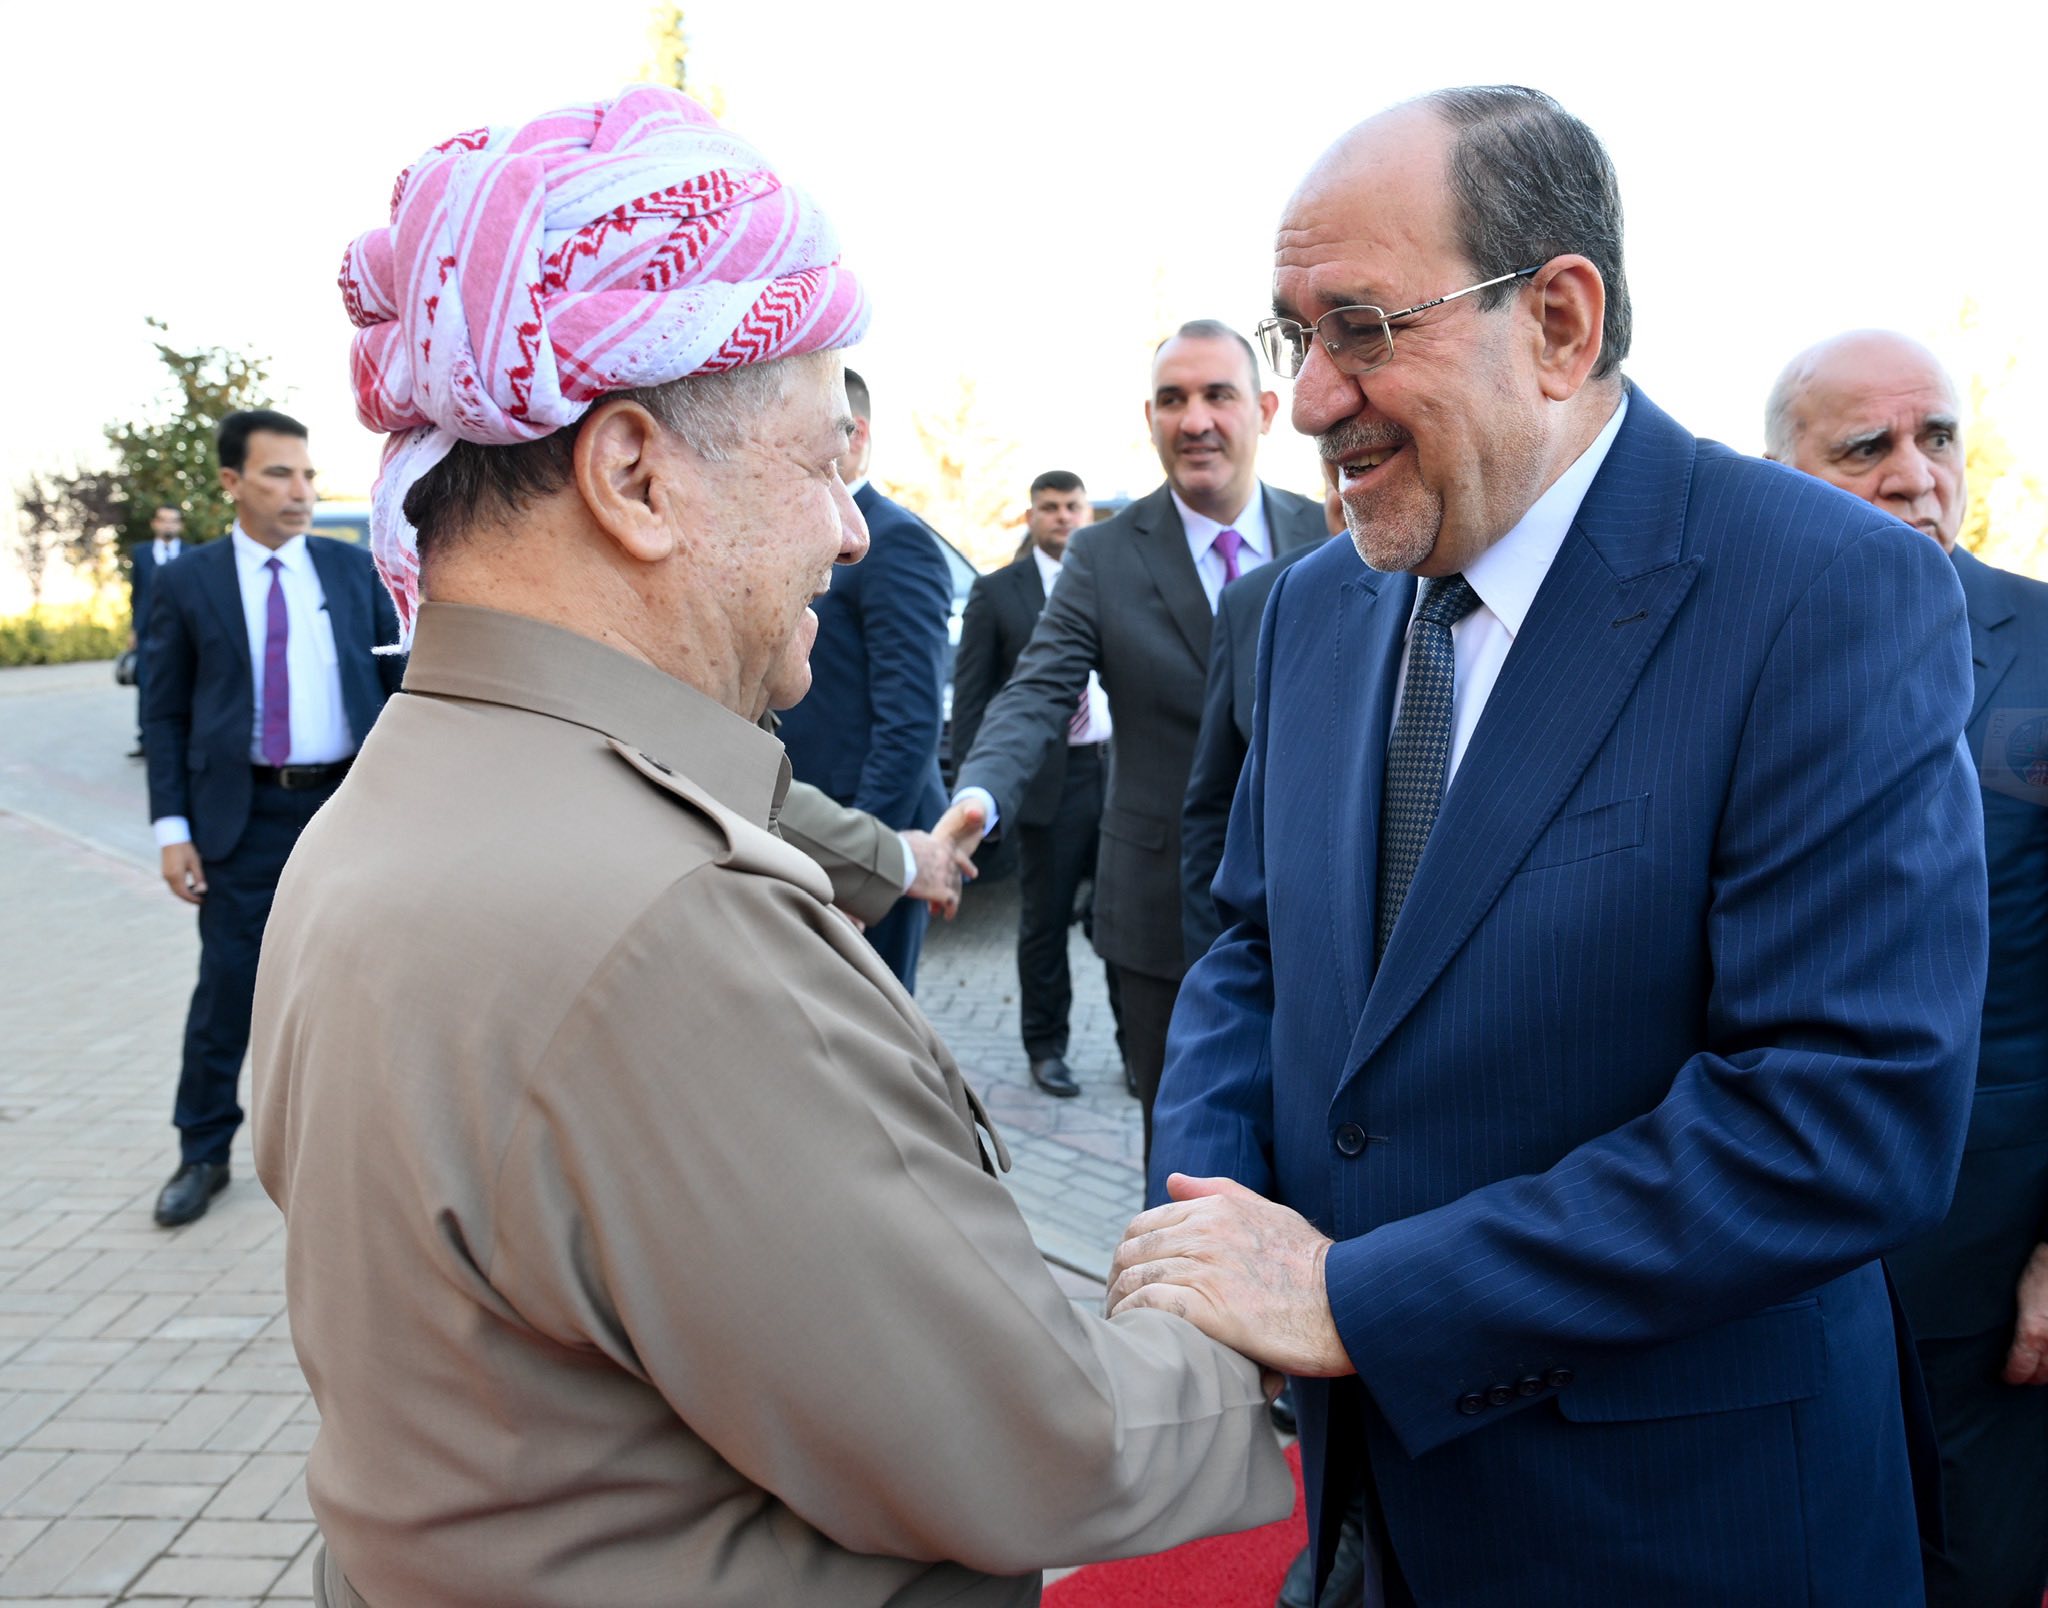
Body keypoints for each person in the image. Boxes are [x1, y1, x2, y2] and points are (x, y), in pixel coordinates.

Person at [254, 88, 1290, 1607]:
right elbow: (1038, 1439)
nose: (851, 530)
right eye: (819, 466)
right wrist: (1250, 1329)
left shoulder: (402, 795)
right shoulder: (668, 923)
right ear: (634, 477)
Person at [1111, 86, 1986, 1607]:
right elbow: (1252, 950)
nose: (1306, 401)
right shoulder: (1311, 609)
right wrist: (1207, 1243)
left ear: (1559, 323)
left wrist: (1360, 1301)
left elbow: (1844, 1114)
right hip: (1369, 1515)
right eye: (1294, 337)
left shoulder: (1823, 591)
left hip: (1681, 1533)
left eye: (1361, 329)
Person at [1767, 328, 2048, 1608]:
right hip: (1755, 1278)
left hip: (1983, 1288)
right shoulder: (1713, 657)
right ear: (1779, 476)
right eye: (1862, 446)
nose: (1911, 473)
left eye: (1935, 436)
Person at [946, 322, 1326, 1155]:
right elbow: (1038, 688)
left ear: (1265, 410)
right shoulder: (1102, 555)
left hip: (1314, 902)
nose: (1195, 420)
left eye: (1218, 395)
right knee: (1182, 1146)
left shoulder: (1328, 531)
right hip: (1159, 914)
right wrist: (978, 795)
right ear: (1149, 418)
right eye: (1172, 400)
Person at [140, 410, 403, 1229]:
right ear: (232, 482)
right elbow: (164, 714)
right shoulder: (190, 583)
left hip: (348, 808)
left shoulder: (352, 571)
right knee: (228, 989)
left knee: (367, 986)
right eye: (279, 474)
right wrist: (172, 830)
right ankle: (202, 1151)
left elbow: (400, 691)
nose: (301, 491)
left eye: (308, 475)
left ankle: (373, 1154)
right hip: (243, 818)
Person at [776, 368, 953, 990]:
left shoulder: (896, 542)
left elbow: (911, 718)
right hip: (813, 826)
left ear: (857, 436)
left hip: (873, 825)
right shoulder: (788, 530)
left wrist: (865, 862)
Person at [951, 470, 1114, 1097]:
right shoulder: (998, 592)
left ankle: (1137, 1049)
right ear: (1031, 517)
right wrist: (977, 791)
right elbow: (973, 700)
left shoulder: (1114, 579)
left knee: (1122, 917)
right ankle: (1046, 1048)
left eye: (1073, 506)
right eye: (1050, 507)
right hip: (1049, 781)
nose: (1063, 517)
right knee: (1044, 922)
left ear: (1088, 513)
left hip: (1115, 772)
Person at [1182, 470, 1341, 964]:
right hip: (1283, 962)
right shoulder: (1261, 598)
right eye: (1338, 472)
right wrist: (1219, 976)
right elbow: (1213, 805)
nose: (1349, 491)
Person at [126, 503, 184, 757]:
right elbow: (136, 594)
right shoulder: (141, 553)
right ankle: (146, 740)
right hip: (148, 631)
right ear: (155, 523)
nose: (168, 524)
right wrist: (133, 629)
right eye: (163, 519)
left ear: (180, 525)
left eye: (173, 520)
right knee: (147, 685)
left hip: (182, 632)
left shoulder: (192, 554)